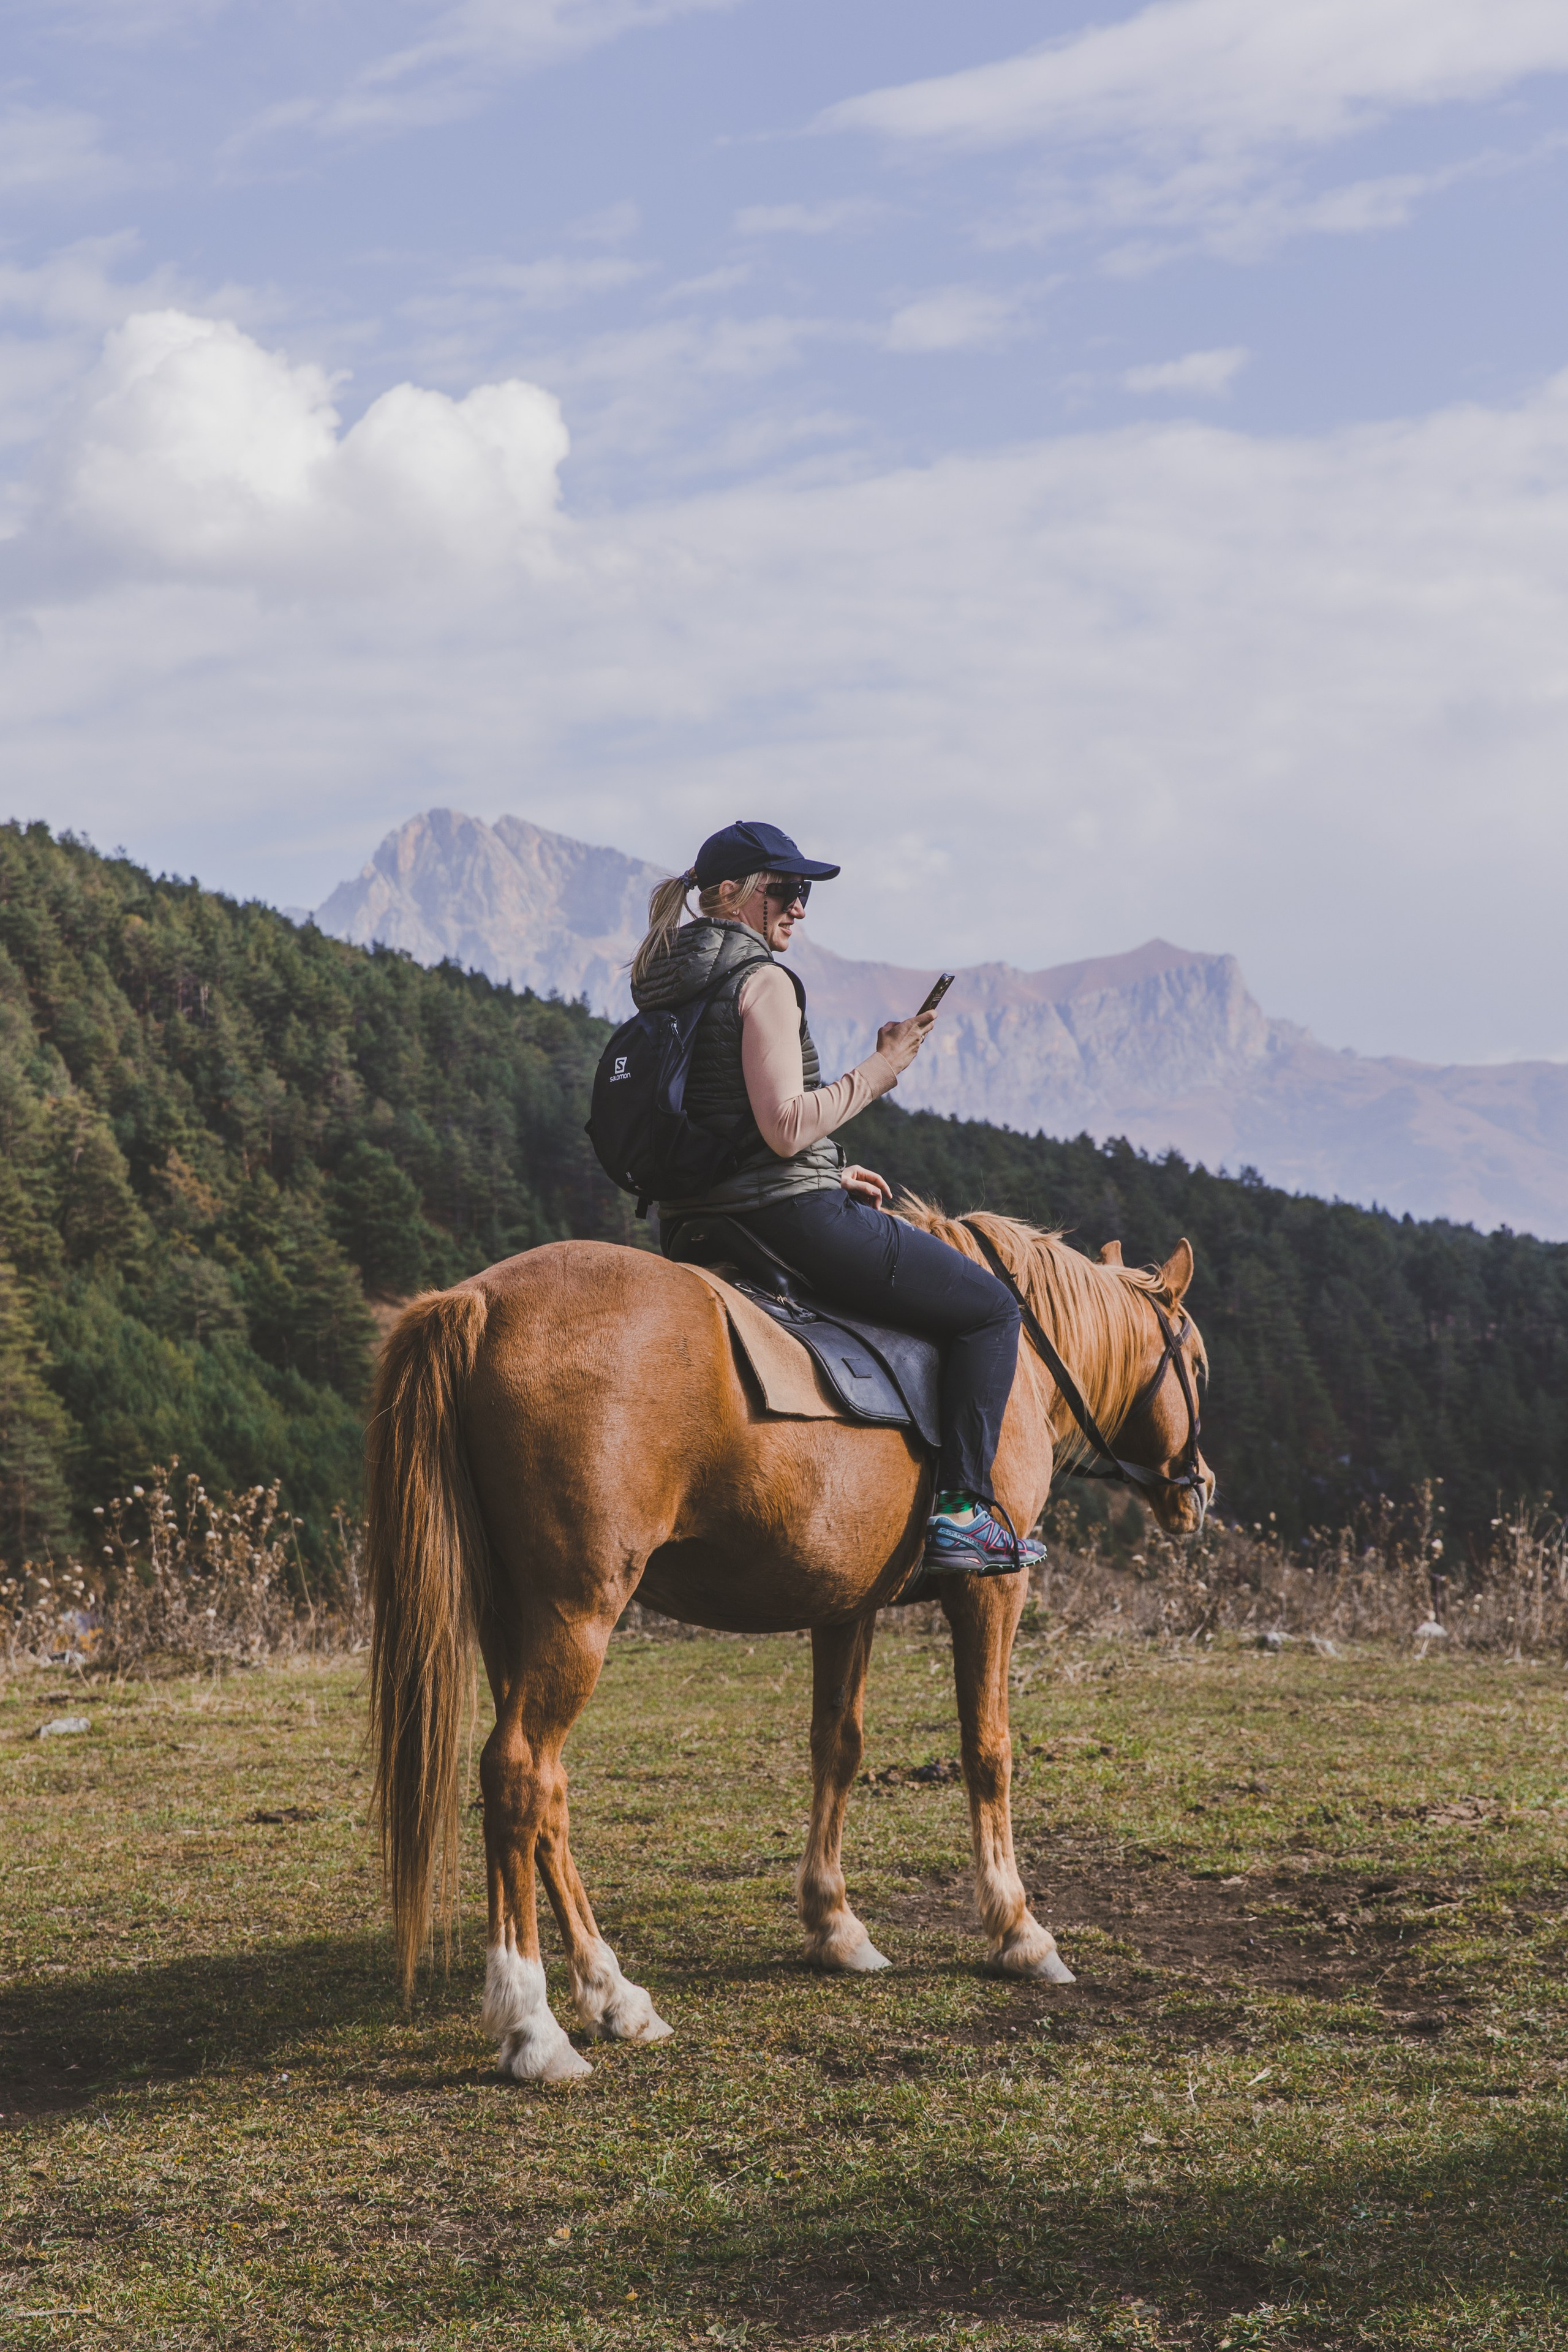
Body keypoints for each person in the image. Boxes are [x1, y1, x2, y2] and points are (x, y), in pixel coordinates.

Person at [631, 817, 1044, 1579]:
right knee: (991, 1310)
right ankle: (961, 1514)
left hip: (696, 1223)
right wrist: (883, 1067)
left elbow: (725, 1118)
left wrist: (830, 1167)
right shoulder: (761, 981)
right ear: (730, 896)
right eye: (784, 890)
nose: (799, 906)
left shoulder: (666, 982)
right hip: (785, 1219)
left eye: (803, 893)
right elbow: (783, 1127)